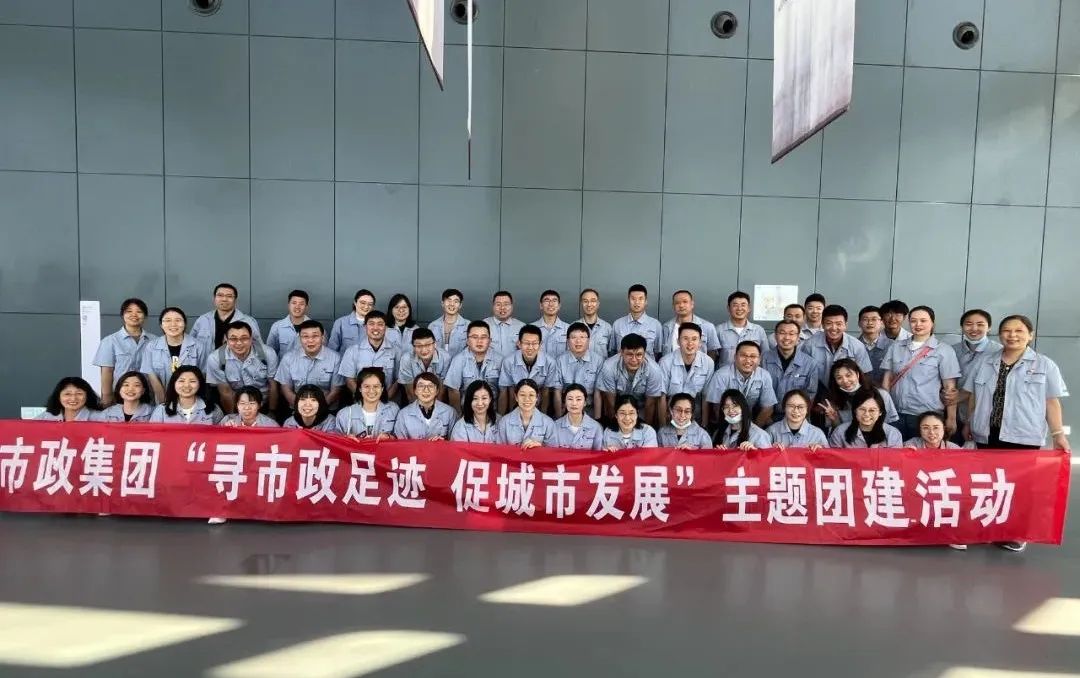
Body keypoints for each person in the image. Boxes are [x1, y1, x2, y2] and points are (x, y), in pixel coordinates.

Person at [961, 314, 1068, 554]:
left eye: (1019, 331)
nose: (1012, 335)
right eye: (1007, 331)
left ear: (1031, 335)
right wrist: (968, 422)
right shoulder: (985, 361)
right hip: (986, 433)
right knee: (988, 483)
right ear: (999, 335)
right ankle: (989, 525)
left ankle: (1016, 532)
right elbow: (973, 395)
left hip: (1023, 436)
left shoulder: (1044, 365)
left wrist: (1058, 433)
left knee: (1019, 487)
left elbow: (1052, 402)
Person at [881, 305, 961, 440]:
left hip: (926, 417)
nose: (918, 324)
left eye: (923, 321)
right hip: (895, 414)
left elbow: (950, 389)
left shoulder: (943, 350)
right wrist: (884, 410)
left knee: (921, 452)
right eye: (913, 321)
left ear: (932, 323)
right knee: (895, 451)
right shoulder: (896, 347)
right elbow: (886, 381)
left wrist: (951, 418)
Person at [205, 321, 279, 415]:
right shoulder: (216, 358)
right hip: (235, 405)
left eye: (244, 338)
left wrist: (272, 413)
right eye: (233, 339)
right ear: (226, 339)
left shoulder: (268, 353)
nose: (239, 343)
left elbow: (273, 385)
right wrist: (234, 417)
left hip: (263, 403)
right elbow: (225, 392)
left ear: (251, 339)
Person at [140, 307, 209, 403]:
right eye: (168, 320)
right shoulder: (151, 347)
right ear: (161, 325)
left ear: (185, 323)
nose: (173, 324)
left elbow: (202, 374)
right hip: (162, 399)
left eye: (178, 320)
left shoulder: (198, 346)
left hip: (191, 399)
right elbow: (152, 376)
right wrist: (164, 403)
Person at [703, 340, 777, 430]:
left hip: (752, 423)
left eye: (753, 356)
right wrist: (732, 431)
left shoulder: (764, 375)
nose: (748, 360)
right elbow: (717, 408)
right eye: (743, 355)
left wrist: (751, 431)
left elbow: (768, 408)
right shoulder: (721, 375)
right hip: (726, 423)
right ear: (735, 357)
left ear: (759, 359)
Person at [93, 297, 155, 403]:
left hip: (148, 396)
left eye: (139, 311)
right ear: (122, 315)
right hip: (120, 397)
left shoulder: (155, 341)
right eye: (129, 311)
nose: (134, 315)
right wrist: (107, 397)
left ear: (145, 316)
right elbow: (107, 372)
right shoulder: (110, 341)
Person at [811, 358, 900, 432]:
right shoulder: (832, 402)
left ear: (857, 374)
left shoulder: (882, 395)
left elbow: (892, 425)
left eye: (848, 375)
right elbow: (837, 433)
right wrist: (834, 419)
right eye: (839, 378)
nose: (845, 381)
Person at [274, 320, 345, 410]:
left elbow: (336, 390)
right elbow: (286, 389)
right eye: (305, 336)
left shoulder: (336, 358)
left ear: (322, 337)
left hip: (327, 408)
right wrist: (302, 409)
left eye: (315, 336)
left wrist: (317, 409)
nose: (310, 340)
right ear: (299, 338)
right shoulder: (288, 358)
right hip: (297, 409)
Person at [954, 309, 1001, 443]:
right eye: (968, 324)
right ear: (962, 327)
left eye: (980, 324)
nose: (974, 328)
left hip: (985, 415)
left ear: (989, 327)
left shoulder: (998, 351)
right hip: (955, 412)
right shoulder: (952, 350)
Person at [596, 333, 664, 427]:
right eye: (629, 354)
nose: (634, 360)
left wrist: (646, 429)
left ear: (645, 354)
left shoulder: (654, 370)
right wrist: (615, 427)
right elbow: (611, 403)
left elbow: (650, 404)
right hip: (618, 409)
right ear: (621, 352)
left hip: (642, 409)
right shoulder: (609, 367)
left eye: (639, 355)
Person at [656, 322, 714, 425]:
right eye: (685, 338)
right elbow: (661, 397)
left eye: (694, 339)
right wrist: (663, 426)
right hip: (671, 416)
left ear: (700, 342)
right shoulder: (665, 362)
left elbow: (706, 397)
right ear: (678, 341)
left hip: (695, 417)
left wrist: (704, 425)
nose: (690, 343)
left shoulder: (708, 362)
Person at [800, 304, 873, 380]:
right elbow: (803, 373)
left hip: (847, 386)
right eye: (829, 323)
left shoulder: (857, 346)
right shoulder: (810, 345)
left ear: (845, 325)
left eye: (838, 324)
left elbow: (864, 374)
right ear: (823, 325)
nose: (834, 328)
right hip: (817, 386)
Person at [338, 310, 399, 399]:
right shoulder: (352, 351)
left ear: (386, 328)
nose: (375, 328)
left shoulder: (396, 351)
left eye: (380, 324)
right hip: (360, 402)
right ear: (365, 327)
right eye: (371, 324)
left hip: (387, 402)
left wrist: (385, 399)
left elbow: (398, 380)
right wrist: (365, 400)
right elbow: (349, 380)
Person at [444, 320, 502, 412]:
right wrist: (459, 416)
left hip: (492, 412)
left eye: (484, 337)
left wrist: (500, 416)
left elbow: (503, 391)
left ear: (490, 341)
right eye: (474, 337)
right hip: (467, 412)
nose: (479, 341)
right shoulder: (458, 360)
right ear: (467, 341)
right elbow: (453, 391)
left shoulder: (500, 360)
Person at [762, 320, 819, 409]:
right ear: (775, 336)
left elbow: (810, 395)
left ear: (798, 338)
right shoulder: (763, 359)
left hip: (797, 414)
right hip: (768, 413)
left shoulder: (810, 364)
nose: (787, 337)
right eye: (782, 333)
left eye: (791, 334)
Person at [498, 325, 554, 414]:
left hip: (538, 404)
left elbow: (546, 391)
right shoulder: (508, 361)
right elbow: (509, 390)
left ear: (540, 344)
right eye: (526, 343)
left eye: (535, 343)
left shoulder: (550, 362)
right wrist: (510, 415)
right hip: (517, 402)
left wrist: (543, 416)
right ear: (519, 344)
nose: (530, 347)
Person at [550, 322, 601, 418]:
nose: (578, 341)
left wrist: (597, 419)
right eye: (573, 337)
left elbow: (598, 393)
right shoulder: (560, 361)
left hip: (589, 410)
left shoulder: (598, 361)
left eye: (582, 337)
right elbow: (557, 391)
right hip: (566, 410)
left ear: (589, 340)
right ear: (567, 341)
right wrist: (559, 417)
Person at [190, 283, 262, 349]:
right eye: (220, 295)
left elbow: (259, 348)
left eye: (229, 296)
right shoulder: (202, 320)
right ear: (214, 298)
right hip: (207, 359)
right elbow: (191, 345)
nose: (224, 299)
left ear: (235, 300)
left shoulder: (248, 321)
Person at [335, 367, 400, 439]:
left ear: (382, 388)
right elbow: (335, 442)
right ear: (360, 388)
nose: (371, 391)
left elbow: (401, 439)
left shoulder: (394, 410)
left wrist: (389, 437)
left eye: (376, 386)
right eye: (367, 386)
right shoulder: (344, 414)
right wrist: (346, 439)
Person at [827, 389, 904, 448]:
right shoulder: (840, 432)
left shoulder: (893, 434)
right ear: (855, 410)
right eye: (862, 409)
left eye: (872, 410)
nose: (866, 414)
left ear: (880, 412)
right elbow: (833, 460)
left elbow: (896, 461)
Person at [149, 366, 223, 424]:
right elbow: (152, 435)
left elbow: (221, 434)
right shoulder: (161, 410)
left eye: (192, 381)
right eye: (181, 381)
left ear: (200, 384)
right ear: (174, 384)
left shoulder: (214, 409)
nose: (186, 385)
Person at [393, 372, 457, 440]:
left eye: (430, 386)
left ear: (437, 391)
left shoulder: (450, 412)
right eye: (421, 386)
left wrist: (443, 442)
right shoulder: (403, 414)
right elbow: (400, 443)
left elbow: (454, 442)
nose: (426, 390)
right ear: (415, 391)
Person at [496, 379, 556, 448]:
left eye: (531, 395)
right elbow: (499, 450)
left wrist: (540, 447)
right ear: (516, 397)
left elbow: (554, 451)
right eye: (522, 395)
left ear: (537, 397)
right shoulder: (504, 422)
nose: (527, 399)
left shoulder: (548, 423)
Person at [661, 290, 720, 360]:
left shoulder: (707, 326)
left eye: (685, 302)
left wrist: (706, 366)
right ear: (673, 306)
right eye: (677, 303)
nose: (681, 305)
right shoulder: (666, 327)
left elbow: (713, 351)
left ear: (692, 304)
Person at [715, 291, 769, 366]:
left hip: (752, 373)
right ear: (728, 308)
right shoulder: (719, 330)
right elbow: (713, 356)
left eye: (743, 305)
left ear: (749, 308)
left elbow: (765, 357)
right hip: (726, 373)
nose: (739, 308)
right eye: (735, 305)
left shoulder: (758, 330)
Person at [397, 328, 451, 402]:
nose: (424, 350)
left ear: (435, 344)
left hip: (438, 401)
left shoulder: (445, 358)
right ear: (413, 347)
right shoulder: (406, 359)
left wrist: (434, 408)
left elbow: (441, 391)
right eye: (419, 346)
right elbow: (410, 391)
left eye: (428, 345)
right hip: (415, 401)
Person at [611, 284, 663, 359]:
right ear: (628, 300)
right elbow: (613, 351)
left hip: (647, 366)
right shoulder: (617, 324)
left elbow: (657, 352)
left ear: (646, 301)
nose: (637, 302)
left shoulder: (656, 325)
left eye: (640, 299)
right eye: (633, 299)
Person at [552, 383, 604, 449]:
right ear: (565, 402)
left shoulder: (596, 427)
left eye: (578, 399)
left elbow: (599, 453)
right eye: (570, 399)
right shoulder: (555, 426)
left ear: (585, 402)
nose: (574, 403)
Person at [328, 289, 376, 353]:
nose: (366, 307)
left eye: (370, 304)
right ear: (355, 303)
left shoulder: (376, 325)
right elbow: (332, 349)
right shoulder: (340, 323)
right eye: (363, 303)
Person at [265, 290, 310, 358]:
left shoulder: (316, 328)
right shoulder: (277, 326)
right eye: (294, 303)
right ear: (288, 305)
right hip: (283, 365)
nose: (297, 306)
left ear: (306, 307)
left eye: (301, 304)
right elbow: (270, 353)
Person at [36, 377, 103, 421]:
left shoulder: (100, 418)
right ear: (58, 397)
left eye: (79, 393)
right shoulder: (46, 417)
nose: (73, 398)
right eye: (67, 394)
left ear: (87, 396)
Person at [857, 305, 892, 386]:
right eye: (865, 319)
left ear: (882, 323)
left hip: (885, 391)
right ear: (859, 323)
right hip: (859, 391)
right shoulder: (853, 345)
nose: (870, 323)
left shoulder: (892, 346)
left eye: (874, 319)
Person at [484, 290, 525, 358]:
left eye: (506, 304)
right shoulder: (483, 325)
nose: (502, 308)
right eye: (498, 304)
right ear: (493, 306)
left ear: (512, 306)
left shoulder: (522, 327)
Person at [429, 288, 469, 357]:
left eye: (456, 301)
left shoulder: (468, 326)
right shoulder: (432, 326)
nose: (452, 304)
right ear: (442, 303)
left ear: (460, 305)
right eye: (448, 300)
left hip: (460, 363)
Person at [532, 289, 570, 357]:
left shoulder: (568, 329)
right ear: (541, 305)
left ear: (559, 306)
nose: (551, 304)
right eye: (547, 300)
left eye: (554, 301)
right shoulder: (531, 328)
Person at [577, 288, 614, 358]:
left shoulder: (607, 328)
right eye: (585, 301)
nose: (589, 304)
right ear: (581, 304)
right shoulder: (573, 327)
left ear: (598, 304)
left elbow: (612, 354)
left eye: (593, 301)